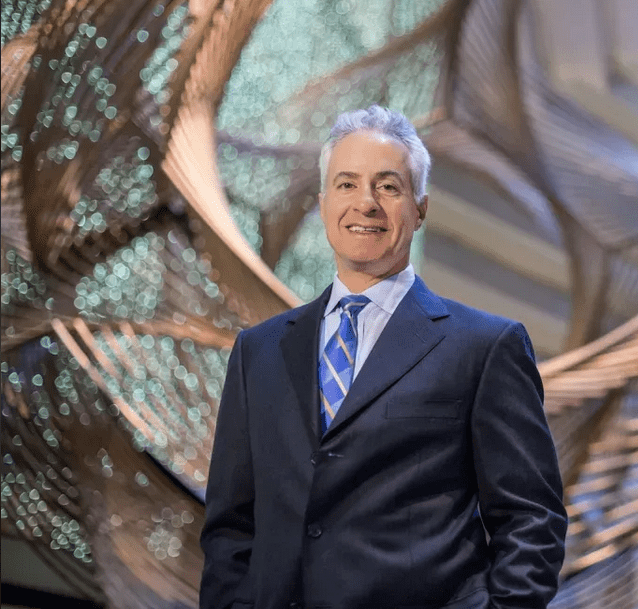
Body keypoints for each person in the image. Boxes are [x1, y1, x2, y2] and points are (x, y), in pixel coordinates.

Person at [199, 104, 568, 609]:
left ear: (420, 208)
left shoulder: (484, 347)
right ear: (325, 202)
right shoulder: (257, 351)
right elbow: (230, 529)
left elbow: (532, 519)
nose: (365, 203)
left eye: (388, 186)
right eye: (347, 184)